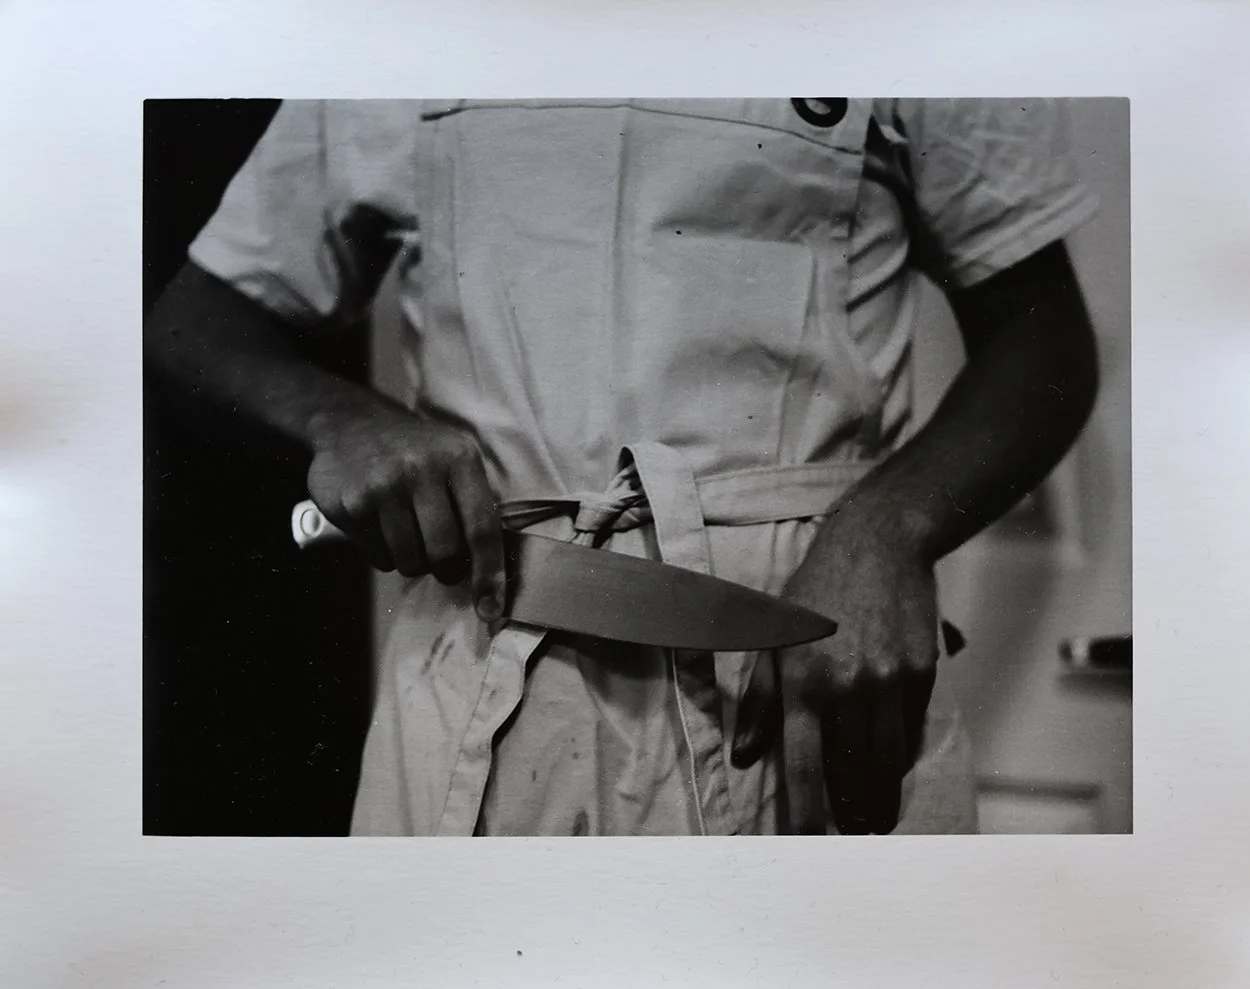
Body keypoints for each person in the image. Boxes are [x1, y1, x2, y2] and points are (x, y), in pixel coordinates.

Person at [145, 98, 1099, 836]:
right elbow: (194, 322)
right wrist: (345, 420)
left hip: (806, 671)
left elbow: (1044, 337)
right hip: (481, 658)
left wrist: (889, 529)